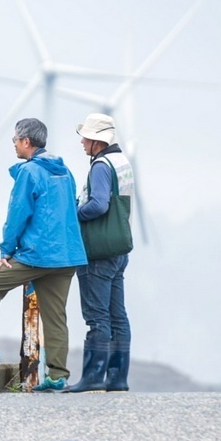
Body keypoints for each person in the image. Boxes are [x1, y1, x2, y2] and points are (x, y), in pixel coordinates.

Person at [0, 118, 87, 392]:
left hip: (37, 254)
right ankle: (58, 375)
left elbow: (18, 214)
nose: (13, 144)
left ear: (26, 141)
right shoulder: (66, 172)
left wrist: (6, 250)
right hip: (68, 255)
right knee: (55, 315)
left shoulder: (30, 172)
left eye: (15, 139)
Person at [67, 113, 135, 393]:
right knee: (118, 315)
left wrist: (73, 214)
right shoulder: (123, 162)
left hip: (98, 251)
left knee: (97, 317)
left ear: (97, 141)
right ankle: (117, 378)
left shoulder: (101, 166)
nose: (82, 142)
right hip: (120, 250)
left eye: (85, 137)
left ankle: (93, 376)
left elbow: (98, 206)